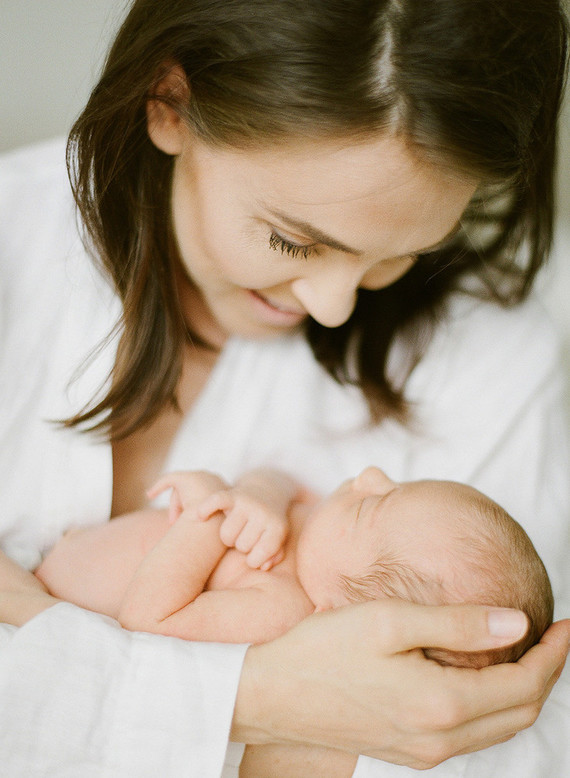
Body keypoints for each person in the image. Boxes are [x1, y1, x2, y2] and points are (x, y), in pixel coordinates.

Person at [0, 1, 569, 776]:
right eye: (292, 240)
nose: (334, 306)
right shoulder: (15, 250)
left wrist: (51, 658)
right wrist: (258, 700)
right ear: (171, 104)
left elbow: (511, 738)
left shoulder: (493, 354)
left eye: (401, 254)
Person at [34, 466, 554, 671]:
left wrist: (208, 518)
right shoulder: (313, 531)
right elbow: (277, 474)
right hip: (50, 545)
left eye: (371, 504)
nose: (370, 475)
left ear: (343, 614)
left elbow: (148, 621)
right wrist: (259, 495)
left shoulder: (282, 610)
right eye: (395, 483)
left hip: (44, 603)